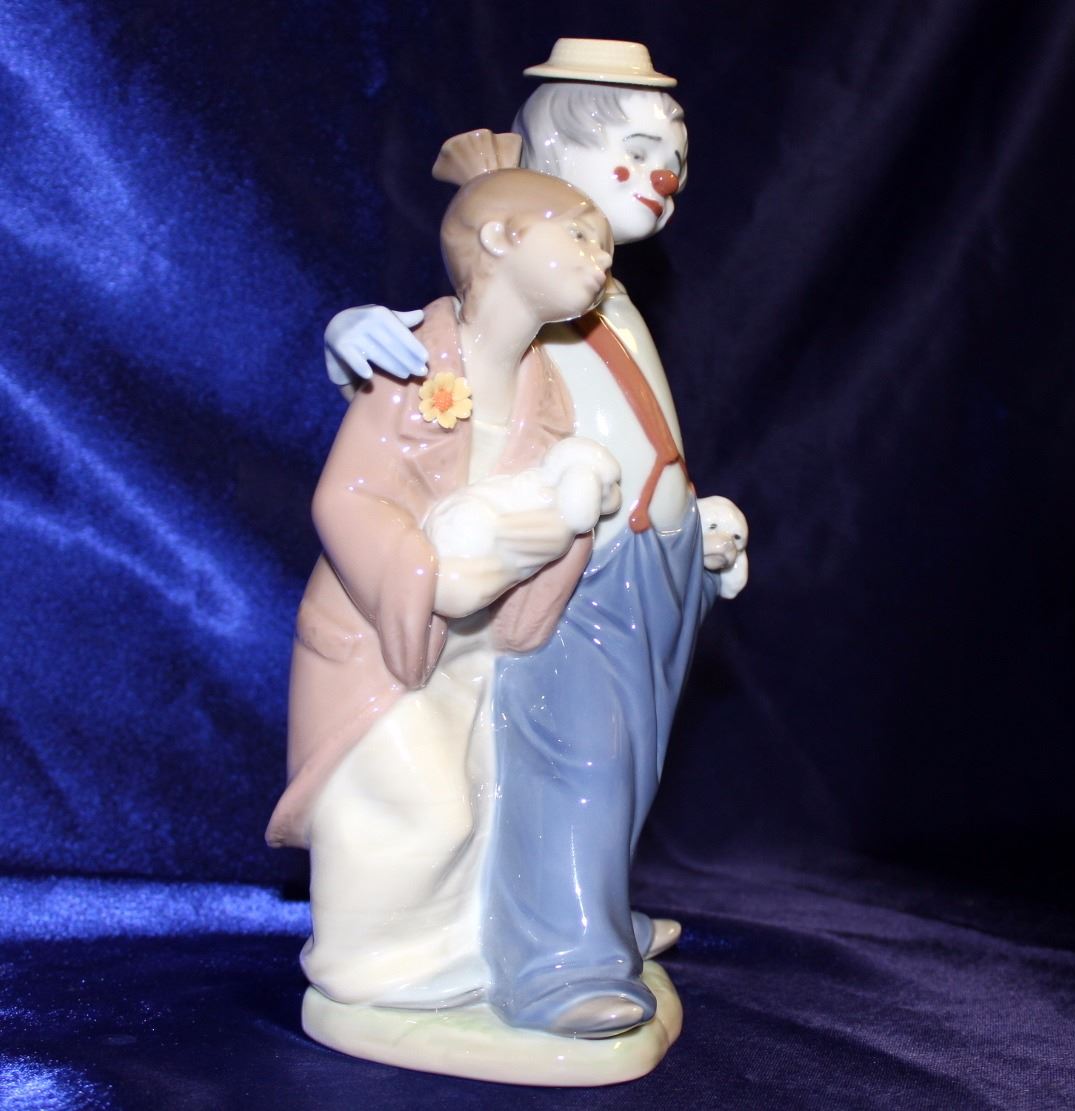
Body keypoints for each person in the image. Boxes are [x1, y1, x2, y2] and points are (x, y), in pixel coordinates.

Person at [322, 40, 749, 1038]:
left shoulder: (606, 299)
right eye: (636, 150)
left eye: (675, 157)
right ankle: (558, 960)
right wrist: (349, 335)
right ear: (548, 165)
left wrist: (693, 524)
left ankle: (585, 908)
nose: (664, 176)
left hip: (652, 565)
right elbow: (439, 350)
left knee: (628, 765)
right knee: (574, 755)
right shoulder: (530, 296)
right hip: (574, 567)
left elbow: (637, 421)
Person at [267, 134, 618, 1011]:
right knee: (414, 805)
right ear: (500, 239)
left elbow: (548, 524)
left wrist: (567, 521)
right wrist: (433, 575)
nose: (601, 256)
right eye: (579, 233)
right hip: (379, 638)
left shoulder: (549, 391)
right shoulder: (410, 360)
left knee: (476, 810)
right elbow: (346, 499)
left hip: (470, 656)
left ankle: (444, 951)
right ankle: (357, 965)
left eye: (603, 242)